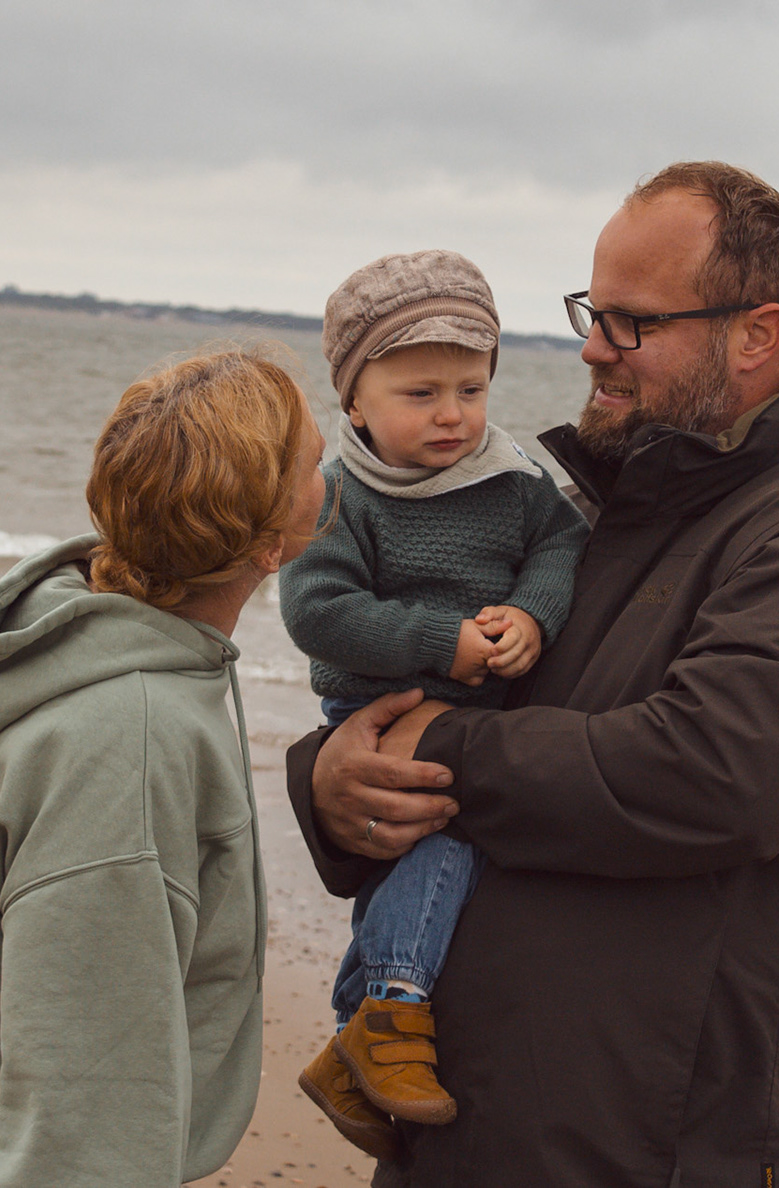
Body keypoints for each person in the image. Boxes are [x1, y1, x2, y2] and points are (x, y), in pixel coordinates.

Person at [286, 161, 779, 1186]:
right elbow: (450, 698)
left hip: (659, 1153)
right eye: (593, 312)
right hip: (459, 1135)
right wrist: (329, 782)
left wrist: (442, 749)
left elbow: (708, 775)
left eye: (632, 322)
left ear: (757, 334)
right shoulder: (585, 516)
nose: (592, 347)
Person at [0, 349, 326, 1188]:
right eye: (314, 464)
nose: (329, 479)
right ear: (270, 543)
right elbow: (88, 1112)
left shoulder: (49, 654)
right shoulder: (129, 736)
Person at [279, 250, 588, 1157]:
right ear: (356, 403)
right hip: (380, 706)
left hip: (477, 707)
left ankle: (356, 1034)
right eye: (420, 395)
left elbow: (561, 548)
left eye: (470, 389)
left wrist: (531, 614)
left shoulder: (512, 477)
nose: (452, 415)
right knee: (435, 841)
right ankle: (393, 1006)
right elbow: (316, 611)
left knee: (418, 863)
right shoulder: (343, 494)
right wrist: (437, 639)